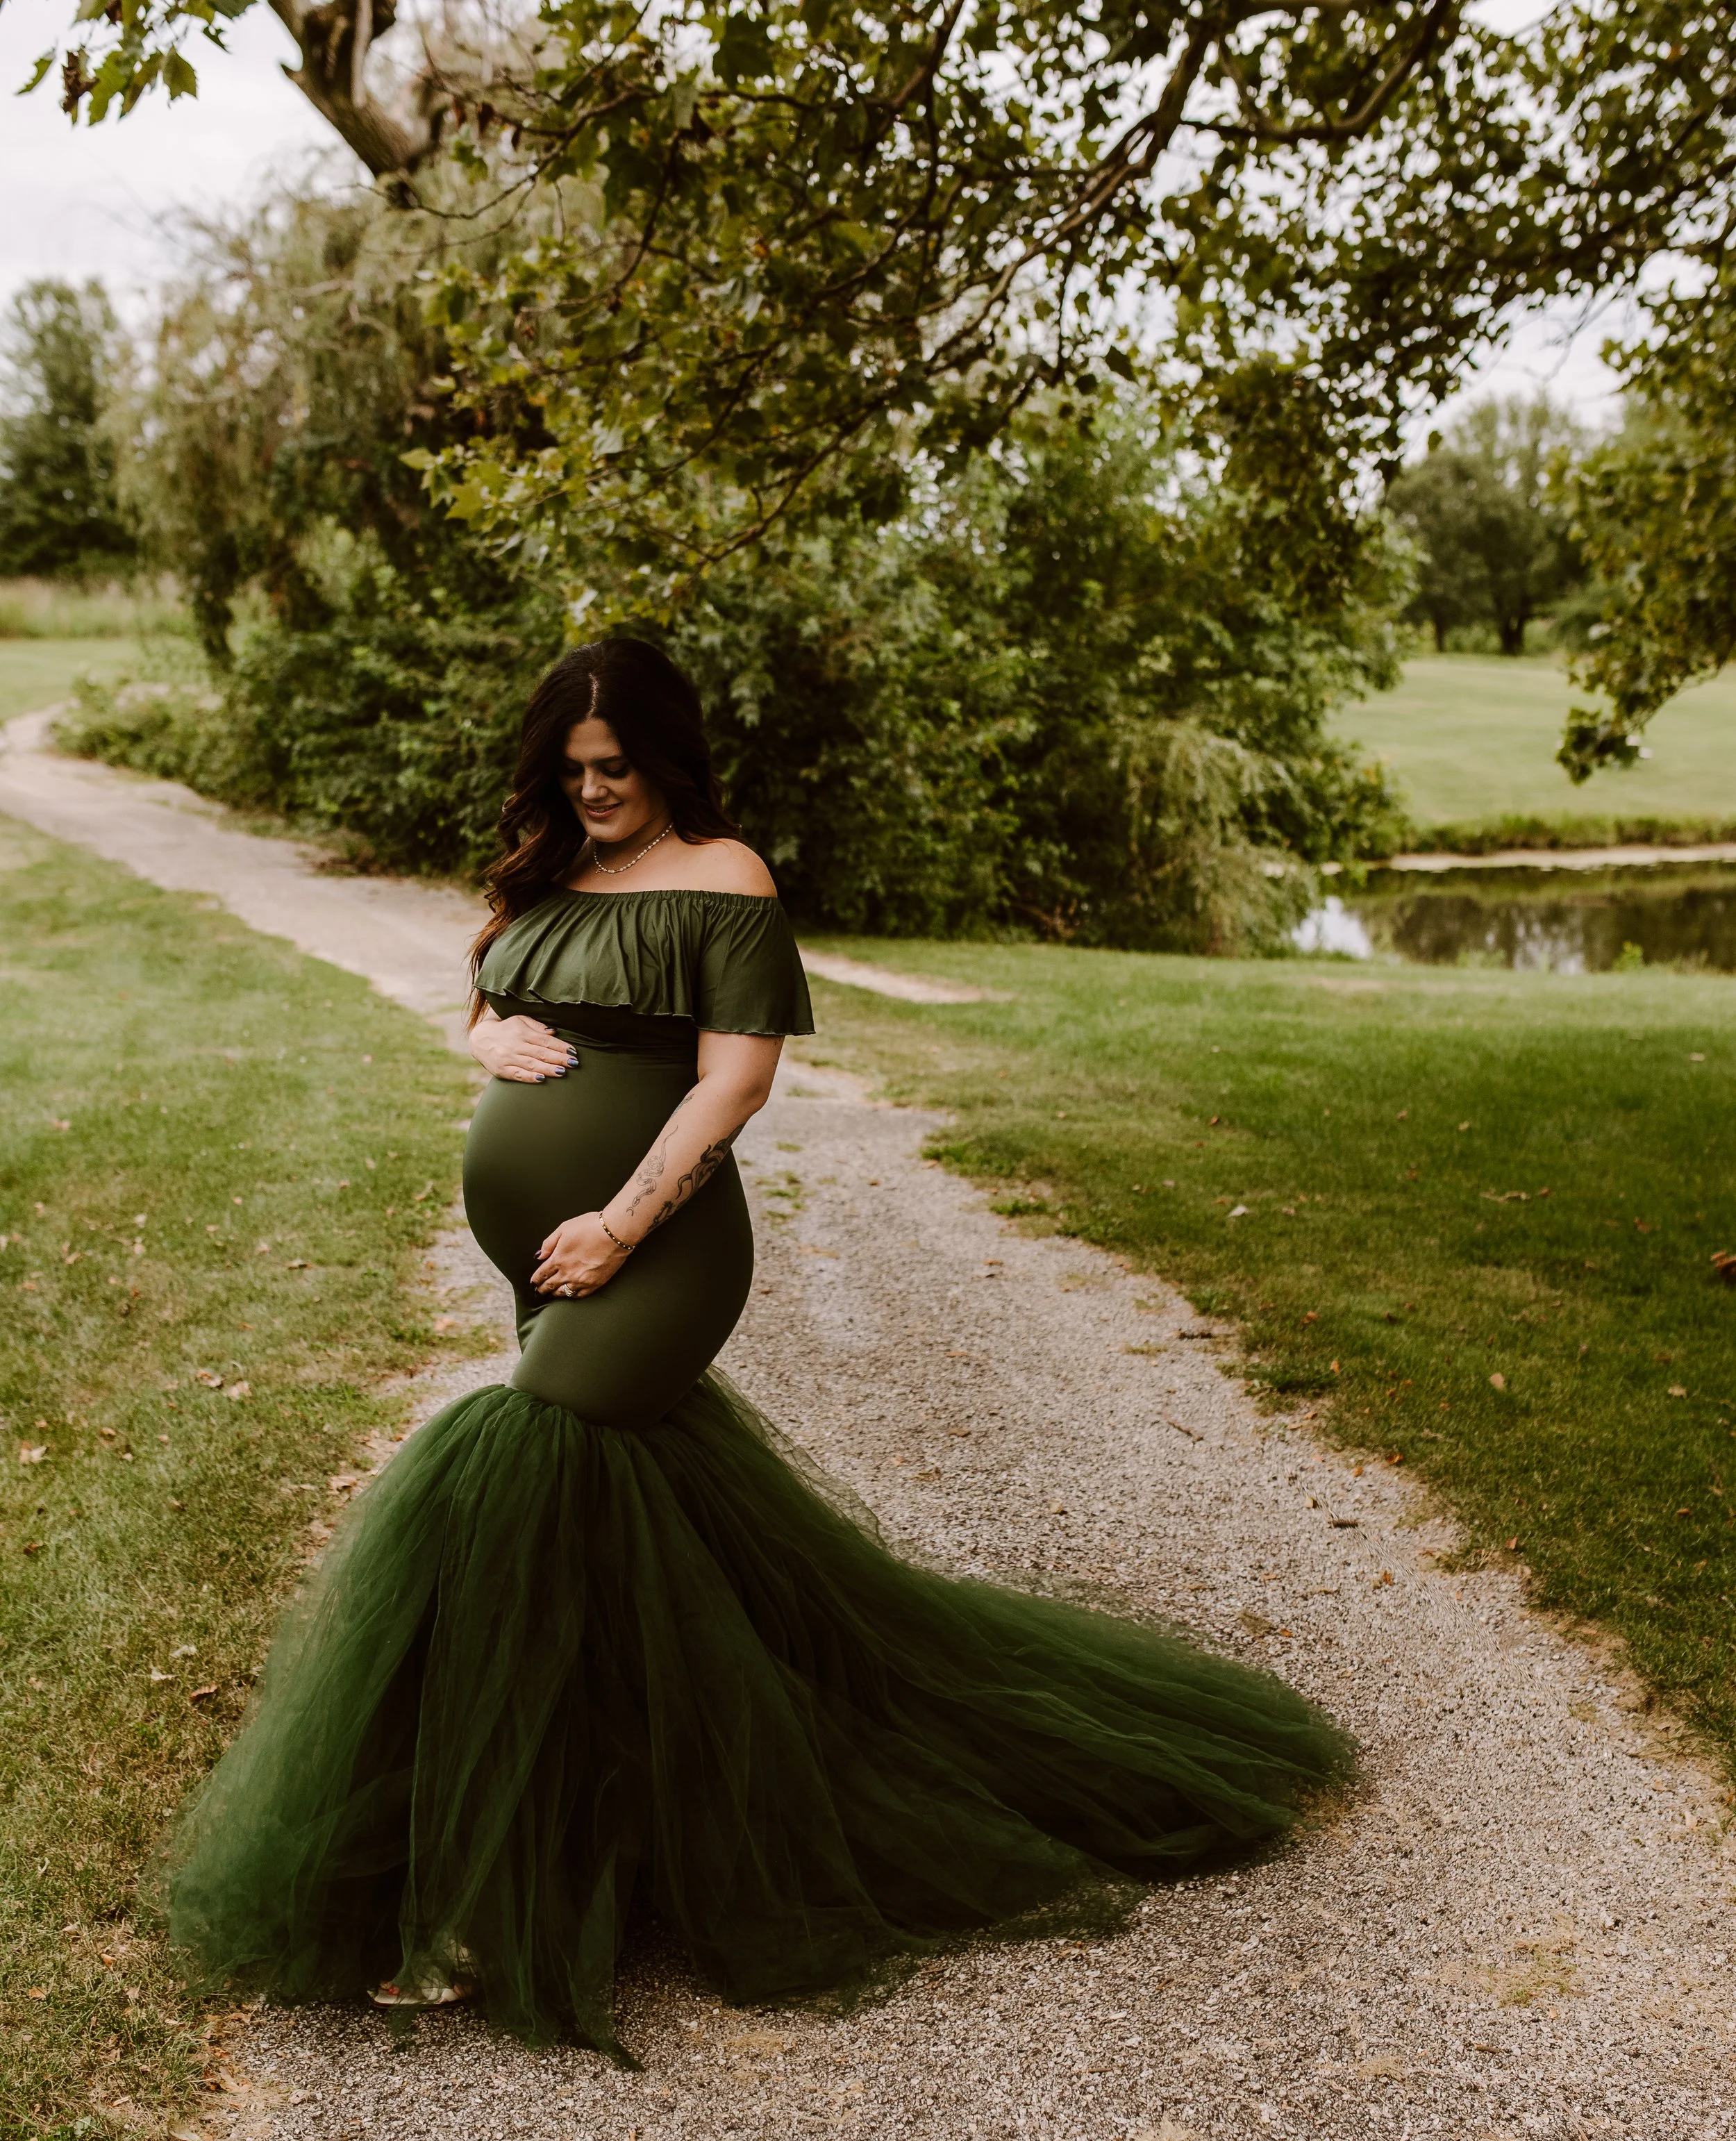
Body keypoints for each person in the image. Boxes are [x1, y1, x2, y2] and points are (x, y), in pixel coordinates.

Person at [165, 637, 1349, 2063]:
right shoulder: (547, 875)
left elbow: (733, 1078)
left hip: (657, 1246)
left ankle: (476, 1900)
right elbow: (481, 1002)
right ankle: (624, 1826)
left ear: (666, 756)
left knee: (506, 1472)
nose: (592, 789)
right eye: (572, 768)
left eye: (616, 767)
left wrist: (614, 1219)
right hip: (549, 1257)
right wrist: (485, 1045)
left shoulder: (726, 877)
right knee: (610, 1539)